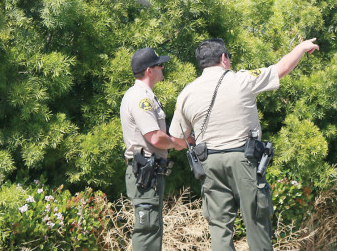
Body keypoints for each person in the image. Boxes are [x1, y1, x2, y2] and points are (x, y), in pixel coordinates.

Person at [169, 37, 319, 251]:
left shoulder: (186, 93)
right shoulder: (242, 79)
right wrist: (301, 48)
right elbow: (281, 69)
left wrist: (200, 143)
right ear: (223, 59)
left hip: (209, 163)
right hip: (243, 160)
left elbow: (177, 138)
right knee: (256, 222)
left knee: (219, 229)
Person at [120, 47, 186, 251]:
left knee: (151, 227)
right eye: (159, 64)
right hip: (145, 173)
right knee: (148, 230)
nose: (162, 67)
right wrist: (178, 143)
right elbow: (155, 138)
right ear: (150, 70)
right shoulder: (141, 98)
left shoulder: (143, 95)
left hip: (149, 172)